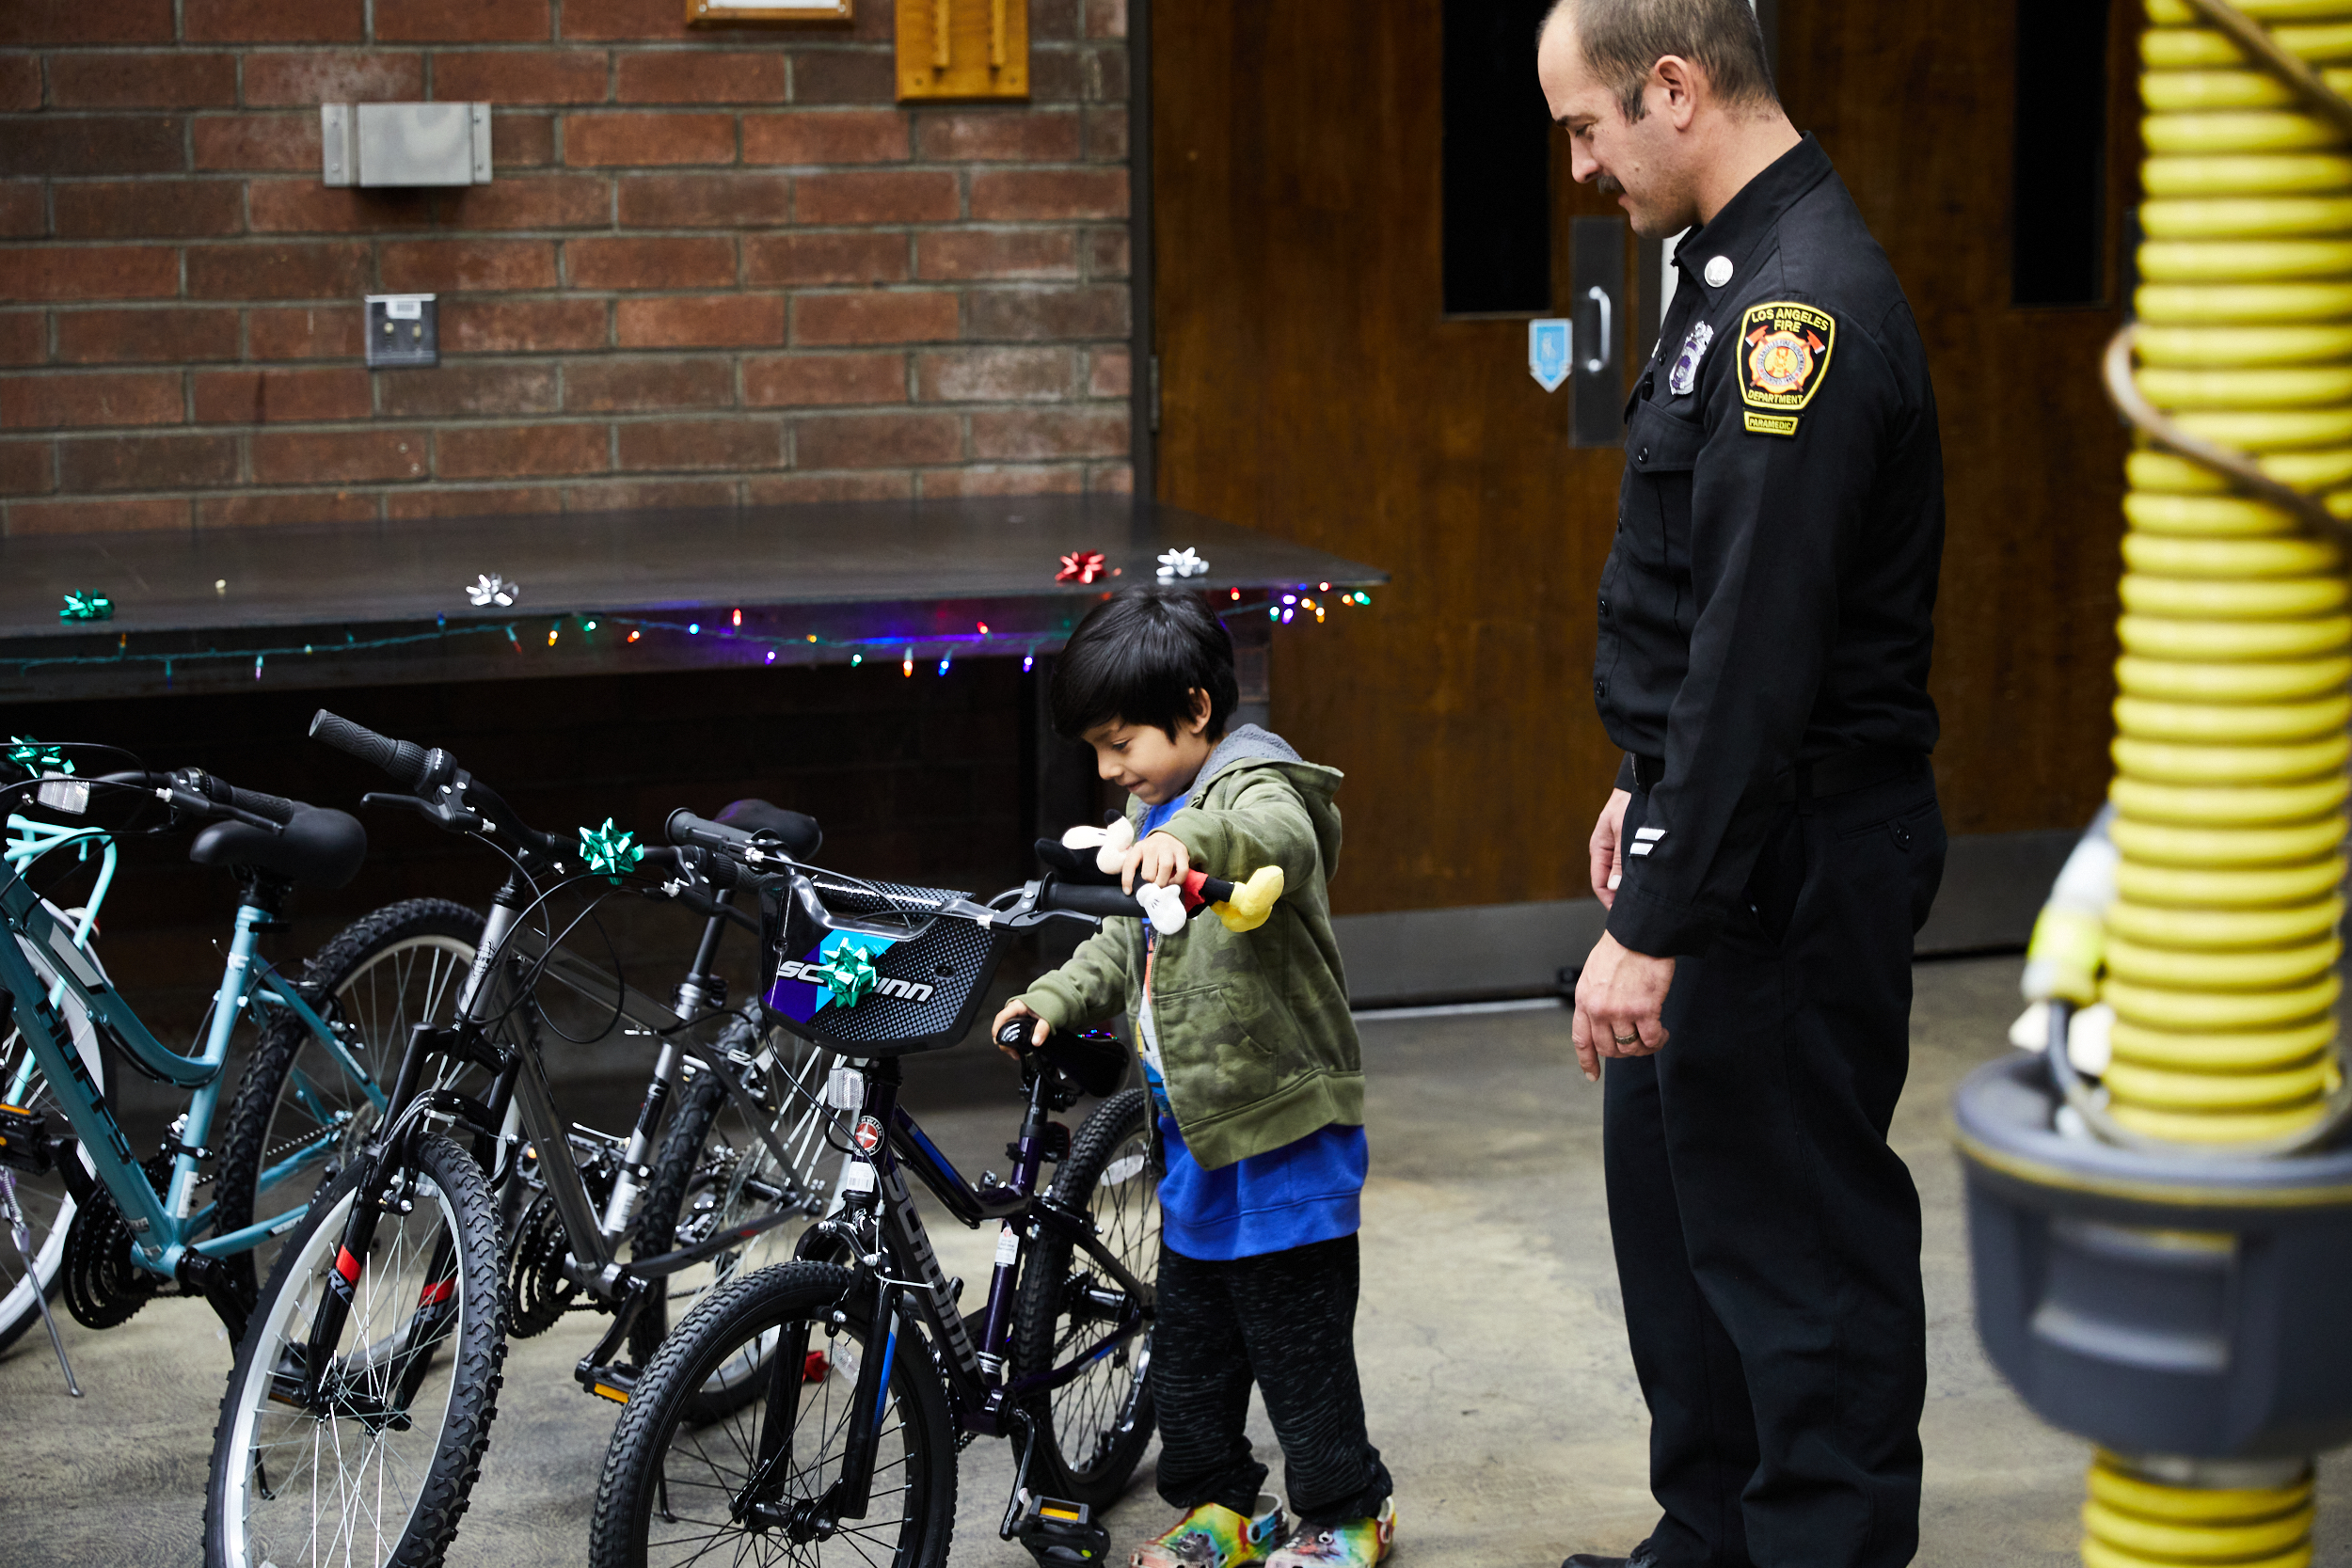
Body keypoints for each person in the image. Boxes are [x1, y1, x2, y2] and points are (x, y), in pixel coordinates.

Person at [1535, 3, 1947, 1566]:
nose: (1581, 164)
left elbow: (1762, 650)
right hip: (1711, 828)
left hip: (1793, 853)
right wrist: (1641, 784)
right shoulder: (1724, 274)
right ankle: (1706, 1536)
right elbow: (1695, 605)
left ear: (1676, 87)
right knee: (1682, 1219)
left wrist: (1659, 913)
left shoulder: (1804, 312)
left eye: (1588, 127)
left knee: (1795, 1247)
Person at [993, 587, 1395, 1568]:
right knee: (1189, 1353)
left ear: (1196, 709)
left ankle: (1349, 1511)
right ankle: (1218, 1503)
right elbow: (1122, 937)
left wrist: (1192, 841)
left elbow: (1279, 840)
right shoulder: (1147, 810)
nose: (1108, 768)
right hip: (1197, 1139)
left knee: (1296, 1347)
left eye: (1119, 740)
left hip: (1284, 1134)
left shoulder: (1262, 782)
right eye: (1095, 748)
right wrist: (1054, 996)